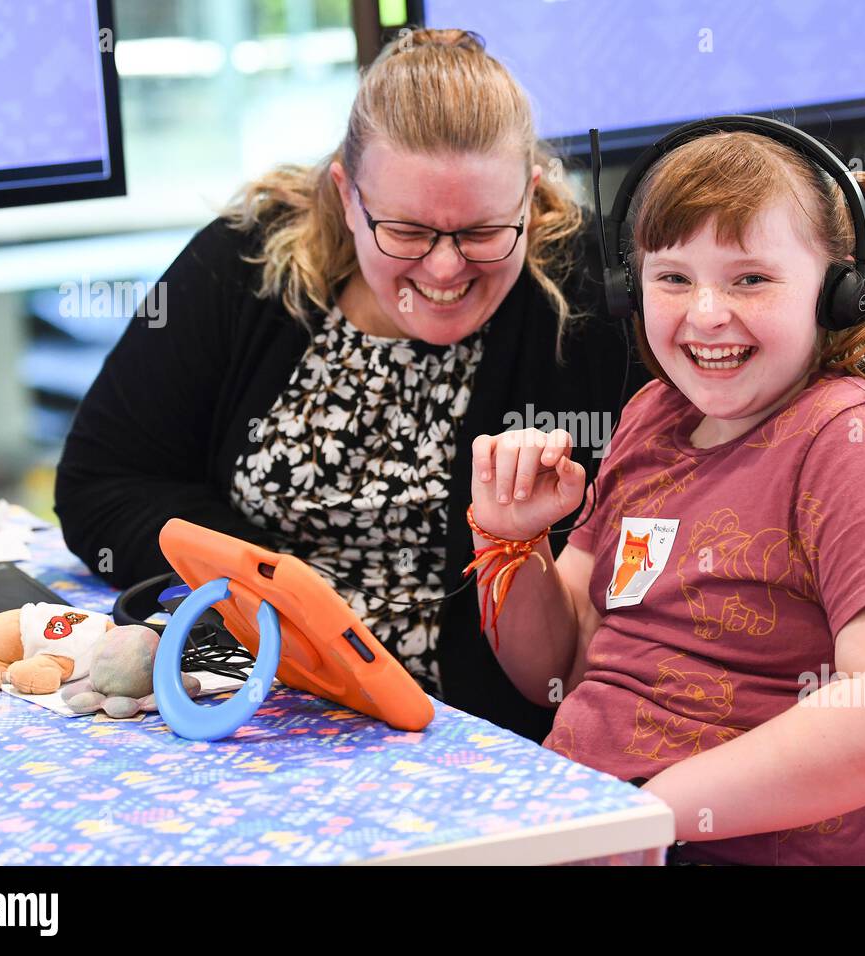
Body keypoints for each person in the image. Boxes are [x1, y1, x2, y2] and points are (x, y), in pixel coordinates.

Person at [54, 28, 648, 743]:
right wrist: (279, 597)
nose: (444, 270)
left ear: (532, 193)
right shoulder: (247, 266)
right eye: (405, 231)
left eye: (486, 232)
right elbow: (101, 481)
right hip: (248, 695)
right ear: (345, 194)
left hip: (467, 733)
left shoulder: (593, 304)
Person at [467, 127, 865, 864]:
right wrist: (510, 543)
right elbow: (556, 672)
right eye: (674, 278)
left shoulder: (859, 443)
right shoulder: (654, 416)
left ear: (839, 291)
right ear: (630, 288)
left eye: (751, 279)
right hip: (591, 827)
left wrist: (653, 816)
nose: (707, 312)